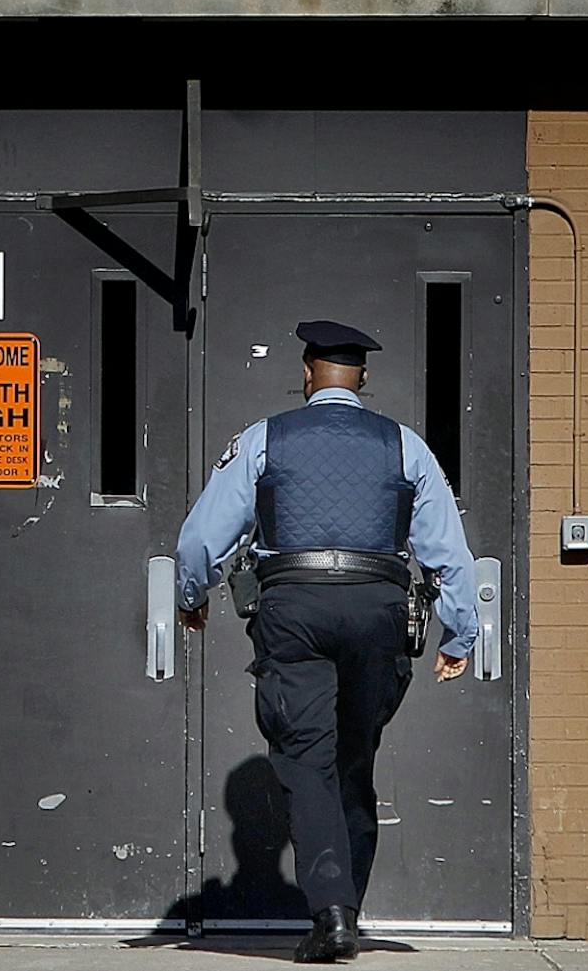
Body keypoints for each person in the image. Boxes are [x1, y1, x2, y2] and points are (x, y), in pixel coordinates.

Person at [176, 320, 477, 964]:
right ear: (362, 380)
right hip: (379, 609)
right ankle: (347, 913)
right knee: (353, 762)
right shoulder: (406, 446)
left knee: (307, 760)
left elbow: (202, 538)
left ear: (307, 373)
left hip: (294, 607)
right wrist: (460, 632)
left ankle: (331, 915)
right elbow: (448, 552)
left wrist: (190, 596)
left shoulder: (265, 439)